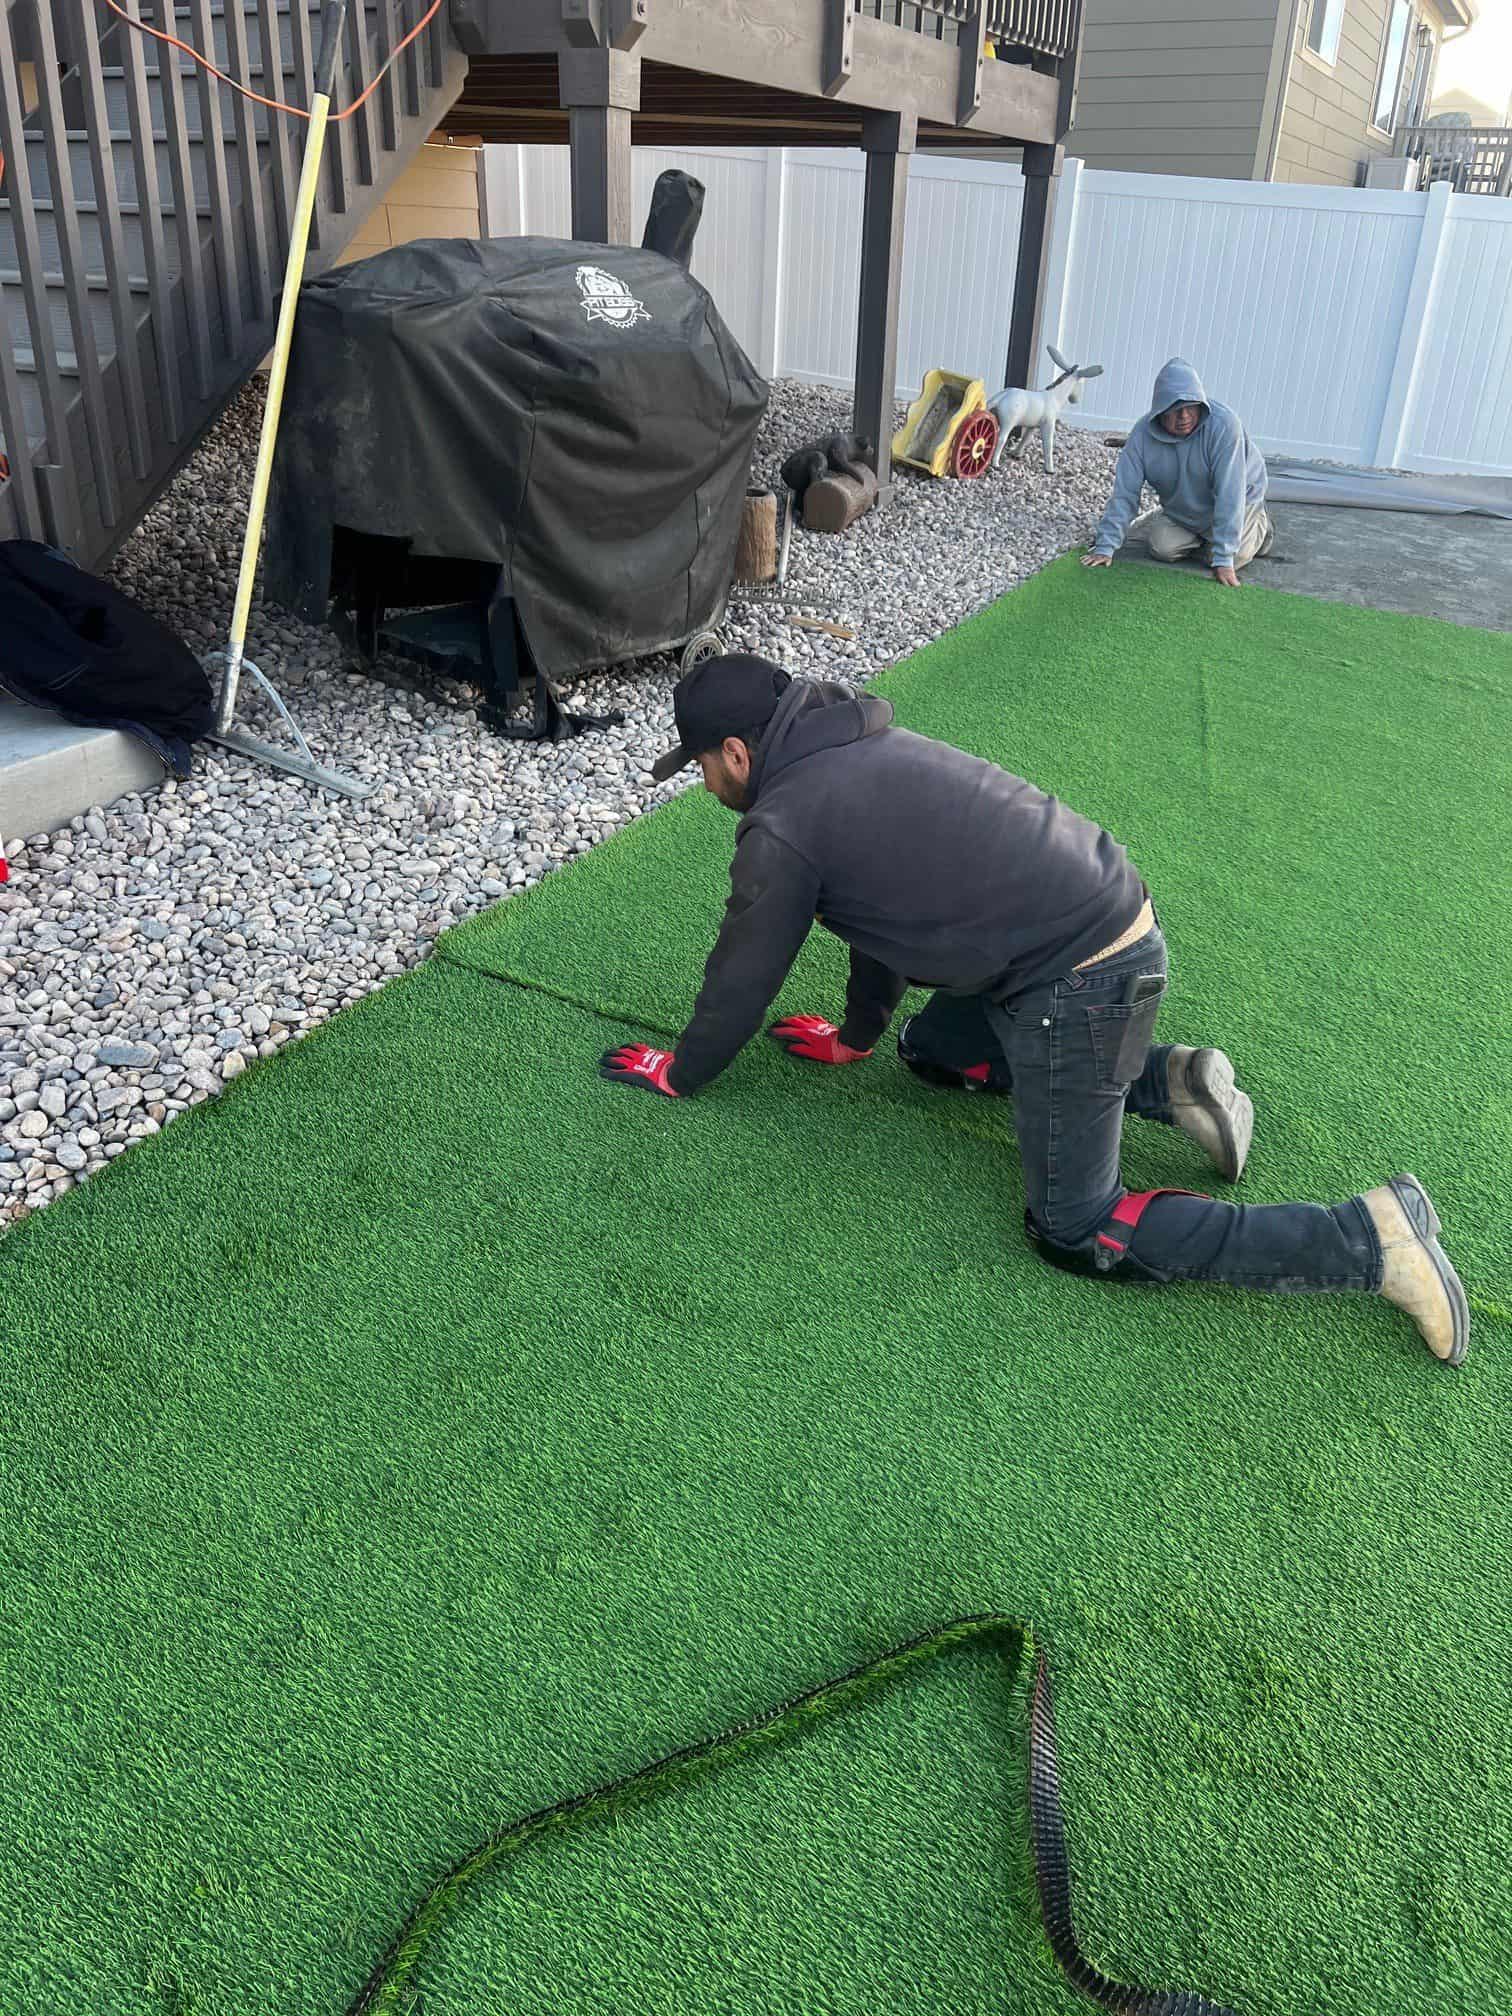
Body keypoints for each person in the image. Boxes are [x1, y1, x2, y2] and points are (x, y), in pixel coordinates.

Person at [599, 656, 1468, 1367]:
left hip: (1077, 977)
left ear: (737, 753)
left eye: (701, 766)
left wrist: (684, 1069)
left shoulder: (785, 824)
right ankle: (1171, 1081)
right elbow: (877, 909)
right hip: (1094, 925)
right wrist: (857, 1037)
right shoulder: (851, 746)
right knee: (932, 1050)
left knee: (1077, 1226)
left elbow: (744, 972)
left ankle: (1367, 1241)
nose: (705, 783)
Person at [1083, 358, 1271, 588]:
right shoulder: (1141, 437)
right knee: (1161, 548)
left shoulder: (1224, 426)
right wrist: (1105, 546)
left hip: (1239, 500)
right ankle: (1212, 539)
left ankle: (1260, 528)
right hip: (1185, 510)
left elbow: (1230, 493)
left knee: (1234, 557)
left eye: (1191, 407)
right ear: (1160, 410)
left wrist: (1224, 558)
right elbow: (1125, 493)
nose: (1184, 417)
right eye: (1175, 410)